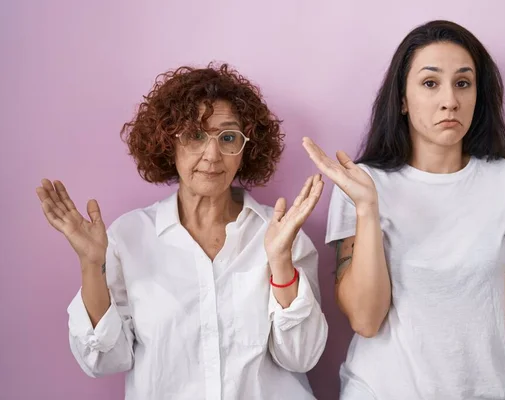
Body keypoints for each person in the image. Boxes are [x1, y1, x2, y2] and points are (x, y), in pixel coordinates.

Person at [303, 20, 505, 400]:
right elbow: (365, 318)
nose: (450, 100)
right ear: (403, 100)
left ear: (478, 94)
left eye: (463, 83)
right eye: (430, 83)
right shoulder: (362, 184)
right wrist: (368, 208)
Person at [36, 64, 328, 400]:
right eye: (195, 136)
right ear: (168, 143)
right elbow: (104, 359)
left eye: (228, 137)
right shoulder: (129, 237)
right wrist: (91, 264)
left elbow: (301, 357)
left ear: (246, 149)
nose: (212, 155)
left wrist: (279, 263)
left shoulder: (282, 235)